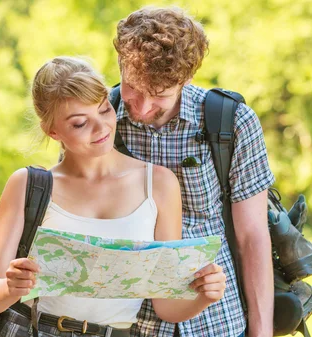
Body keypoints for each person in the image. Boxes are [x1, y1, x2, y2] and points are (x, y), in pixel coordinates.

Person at [0, 56, 228, 337]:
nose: (102, 128)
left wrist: (204, 295)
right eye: (80, 123)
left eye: (105, 109)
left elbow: (166, 307)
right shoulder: (27, 184)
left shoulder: (158, 184)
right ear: (53, 130)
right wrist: (11, 287)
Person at [112, 6, 276, 337]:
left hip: (215, 321)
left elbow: (252, 237)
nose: (142, 107)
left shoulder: (232, 123)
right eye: (132, 87)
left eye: (158, 95)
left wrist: (262, 331)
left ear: (186, 80)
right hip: (123, 322)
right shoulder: (97, 121)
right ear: (119, 64)